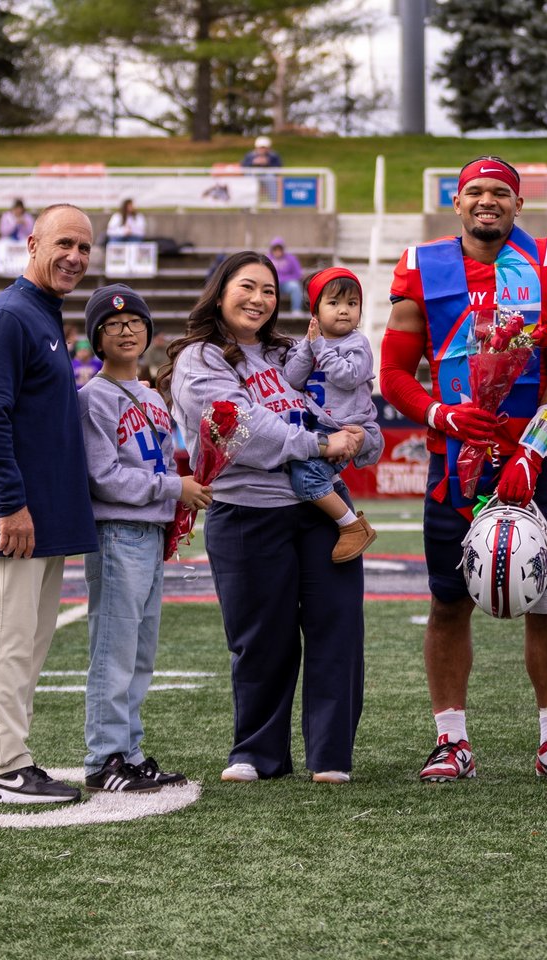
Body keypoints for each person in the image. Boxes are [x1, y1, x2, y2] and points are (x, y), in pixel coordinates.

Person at [379, 155, 547, 783]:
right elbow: (394, 372)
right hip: (457, 462)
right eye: (475, 191)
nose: (487, 201)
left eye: (500, 193)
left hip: (534, 457)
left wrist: (532, 450)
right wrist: (442, 416)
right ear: (457, 201)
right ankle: (451, 742)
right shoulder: (423, 265)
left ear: (517, 204)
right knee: (449, 601)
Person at [158, 251, 371, 785]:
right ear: (219, 291)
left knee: (337, 632)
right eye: (247, 287)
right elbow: (240, 430)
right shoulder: (199, 359)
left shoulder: (291, 351)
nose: (259, 299)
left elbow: (348, 406)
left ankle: (331, 756)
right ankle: (257, 752)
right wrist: (320, 444)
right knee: (261, 638)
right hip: (247, 511)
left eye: (270, 291)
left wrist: (361, 437)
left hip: (323, 511)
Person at [0, 203, 98, 804]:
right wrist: (10, 505)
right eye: (64, 243)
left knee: (30, 641)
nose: (75, 257)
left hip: (42, 520)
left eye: (86, 248)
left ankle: (6, 756)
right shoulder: (10, 316)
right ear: (33, 242)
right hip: (17, 518)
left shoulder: (41, 315)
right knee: (10, 637)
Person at [79, 284, 212, 793]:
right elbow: (103, 477)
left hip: (149, 533)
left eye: (135, 322)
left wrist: (177, 500)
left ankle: (129, 751)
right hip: (117, 531)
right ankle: (104, 757)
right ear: (97, 337)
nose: (127, 330)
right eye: (113, 325)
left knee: (139, 652)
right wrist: (172, 488)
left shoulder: (154, 396)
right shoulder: (93, 397)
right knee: (113, 650)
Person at [283, 267, 382, 562]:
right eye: (334, 303)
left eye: (352, 304)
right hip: (319, 430)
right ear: (315, 311)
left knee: (307, 480)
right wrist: (308, 348)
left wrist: (321, 350)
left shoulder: (357, 343)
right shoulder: (310, 344)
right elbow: (292, 378)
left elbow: (348, 377)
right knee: (301, 475)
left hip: (349, 428)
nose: (344, 311)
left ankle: (352, 526)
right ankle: (335, 521)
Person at [241, 135, 282, 201]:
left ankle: (274, 204)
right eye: (261, 148)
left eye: (264, 148)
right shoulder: (250, 155)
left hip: (267, 176)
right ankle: (247, 204)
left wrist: (268, 163)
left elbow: (279, 166)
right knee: (249, 179)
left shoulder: (273, 156)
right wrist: (253, 162)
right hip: (253, 175)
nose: (262, 149)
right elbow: (243, 165)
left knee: (271, 178)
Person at [269, 238, 304, 313]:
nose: (277, 251)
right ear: (272, 250)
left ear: (283, 249)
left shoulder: (291, 258)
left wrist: (284, 279)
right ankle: (269, 312)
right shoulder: (267, 259)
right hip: (272, 283)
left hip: (286, 284)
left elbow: (298, 274)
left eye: (279, 249)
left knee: (295, 286)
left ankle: (296, 310)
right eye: (275, 249)